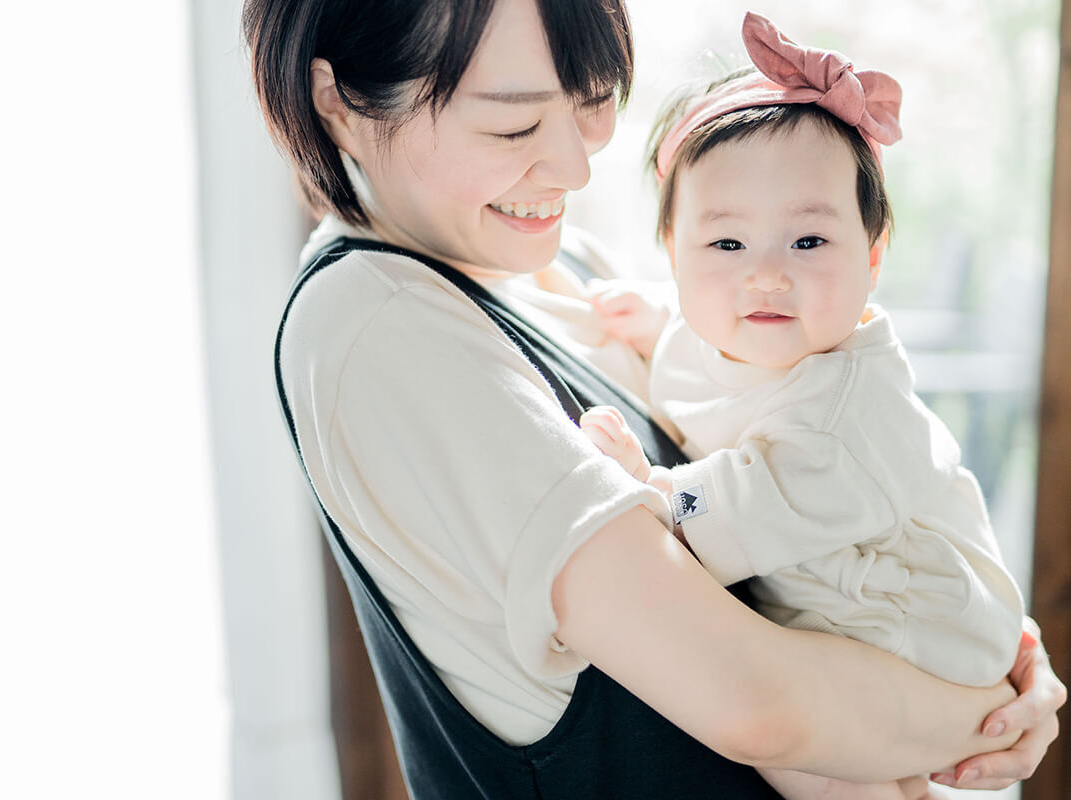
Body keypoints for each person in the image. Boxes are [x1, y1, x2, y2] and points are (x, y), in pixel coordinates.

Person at [249, 0, 1066, 797]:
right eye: (513, 125)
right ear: (343, 106)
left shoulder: (558, 264)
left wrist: (993, 657)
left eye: (593, 99)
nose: (575, 166)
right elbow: (757, 704)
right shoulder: (382, 327)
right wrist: (988, 712)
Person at [578, 12, 1027, 799]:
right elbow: (701, 343)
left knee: (793, 741)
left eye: (809, 243)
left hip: (917, 627)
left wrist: (649, 490)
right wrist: (652, 327)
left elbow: (749, 505)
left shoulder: (846, 410)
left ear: (874, 257)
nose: (766, 277)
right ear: (676, 256)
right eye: (725, 245)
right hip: (840, 590)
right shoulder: (726, 329)